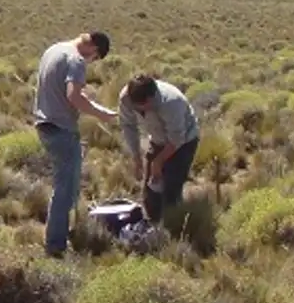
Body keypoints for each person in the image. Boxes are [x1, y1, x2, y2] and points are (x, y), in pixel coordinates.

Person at [32, 30, 115, 257]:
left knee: (67, 184)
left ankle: (63, 233)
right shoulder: (76, 59)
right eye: (95, 58)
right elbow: (74, 97)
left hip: (44, 124)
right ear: (94, 48)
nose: (92, 62)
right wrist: (101, 114)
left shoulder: (54, 49)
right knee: (65, 189)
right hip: (61, 128)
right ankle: (55, 245)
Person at [117, 73, 202, 226]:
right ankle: (151, 225)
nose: (148, 107)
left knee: (171, 187)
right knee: (151, 187)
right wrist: (136, 157)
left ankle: (172, 228)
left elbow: (176, 138)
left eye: (150, 102)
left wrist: (159, 162)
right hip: (157, 139)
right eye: (143, 106)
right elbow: (128, 126)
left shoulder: (171, 102)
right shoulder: (126, 98)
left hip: (183, 143)